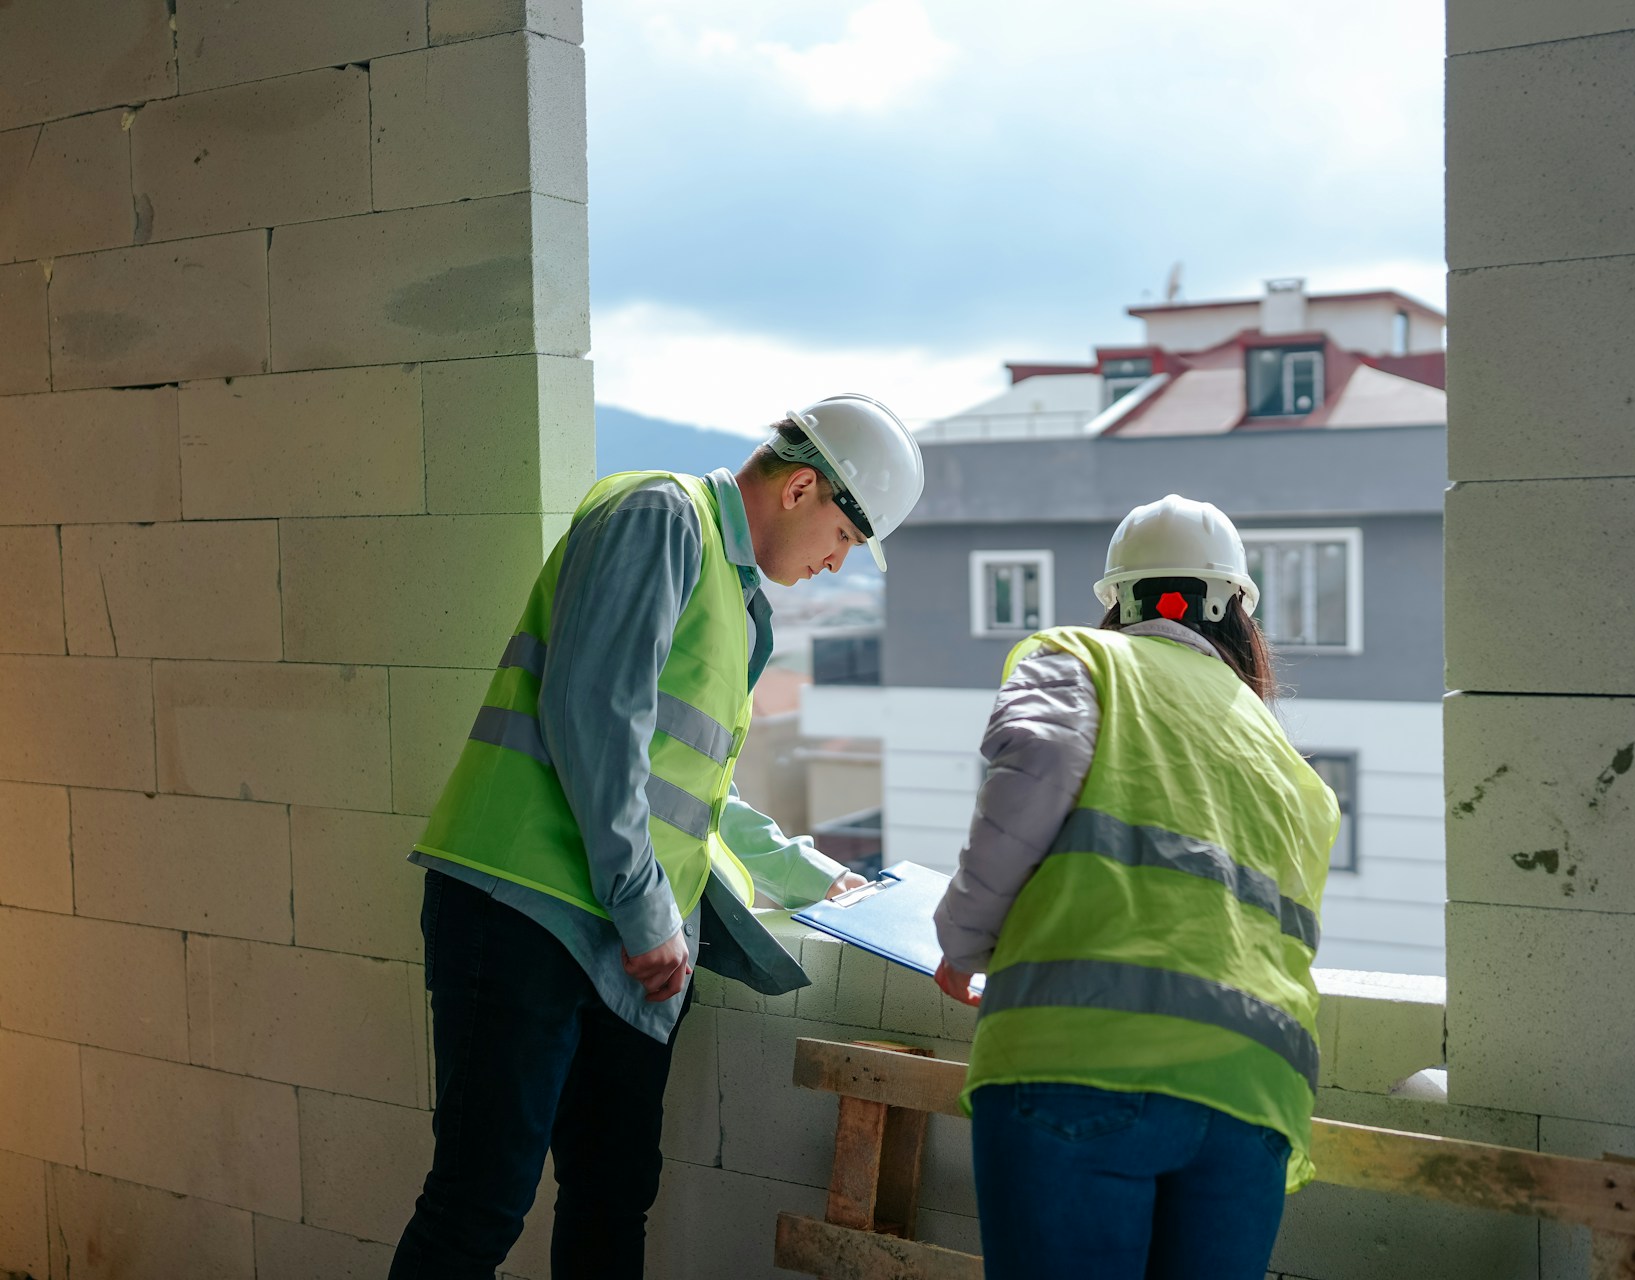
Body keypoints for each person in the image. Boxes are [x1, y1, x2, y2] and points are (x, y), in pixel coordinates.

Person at [389, 394, 925, 1279]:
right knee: (478, 1204)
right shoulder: (659, 516)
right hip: (525, 908)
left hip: (621, 936)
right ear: (801, 489)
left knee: (613, 1194)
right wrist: (649, 917)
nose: (837, 566)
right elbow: (592, 716)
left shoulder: (734, 592)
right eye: (846, 540)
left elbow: (688, 788)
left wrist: (808, 877)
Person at [930, 494, 1339, 1280]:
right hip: (1251, 1101)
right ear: (1238, 615)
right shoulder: (1293, 769)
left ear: (1118, 600)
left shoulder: (1081, 658)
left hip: (1083, 1063)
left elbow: (1026, 791)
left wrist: (964, 942)